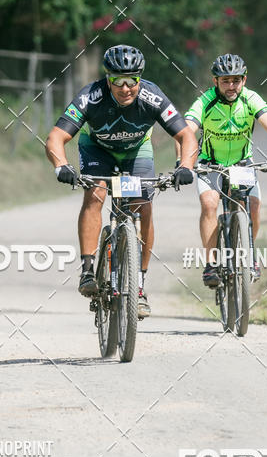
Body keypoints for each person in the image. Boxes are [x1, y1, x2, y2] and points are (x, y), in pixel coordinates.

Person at [45, 44, 196, 317]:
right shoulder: (91, 96)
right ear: (108, 79)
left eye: (132, 81)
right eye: (118, 81)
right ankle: (89, 270)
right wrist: (61, 165)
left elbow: (186, 135)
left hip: (137, 151)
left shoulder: (152, 96)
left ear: (139, 79)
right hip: (97, 150)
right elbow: (56, 137)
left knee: (144, 205)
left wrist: (185, 165)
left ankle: (138, 285)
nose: (126, 88)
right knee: (95, 194)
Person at [182, 53, 267, 286]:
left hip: (241, 164)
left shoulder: (251, 99)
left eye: (236, 80)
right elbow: (186, 132)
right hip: (209, 163)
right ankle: (211, 264)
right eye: (225, 81)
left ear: (244, 79)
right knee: (210, 204)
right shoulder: (205, 102)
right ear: (215, 82)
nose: (231, 86)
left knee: (253, 205)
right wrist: (185, 164)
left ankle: (249, 254)